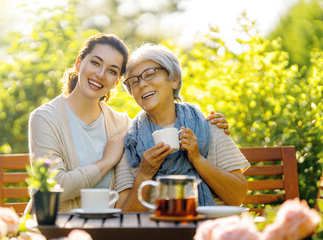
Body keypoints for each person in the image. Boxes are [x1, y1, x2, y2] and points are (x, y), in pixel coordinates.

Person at [27, 33, 230, 213]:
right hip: (58, 227)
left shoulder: (123, 123)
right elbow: (52, 189)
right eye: (95, 63)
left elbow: (160, 121)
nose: (100, 75)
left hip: (112, 230)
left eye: (112, 71)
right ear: (79, 63)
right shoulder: (45, 118)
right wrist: (106, 161)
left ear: (116, 82)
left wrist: (208, 122)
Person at [118, 44, 249, 212]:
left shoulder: (208, 127)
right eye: (133, 82)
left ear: (175, 80)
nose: (142, 84)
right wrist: (144, 174)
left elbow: (238, 197)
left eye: (150, 74)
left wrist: (197, 159)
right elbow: (124, 215)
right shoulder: (131, 143)